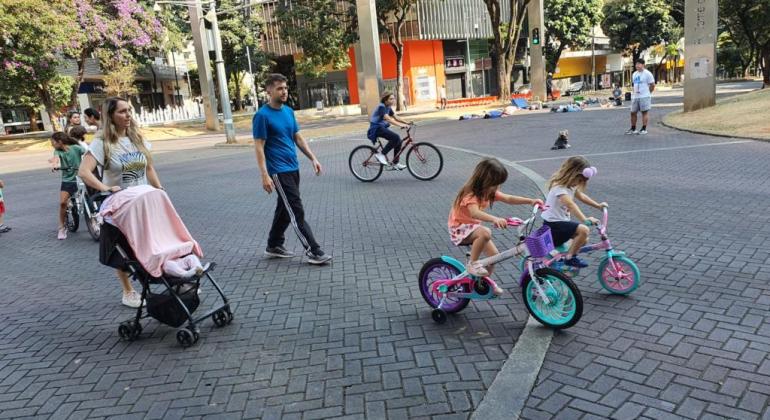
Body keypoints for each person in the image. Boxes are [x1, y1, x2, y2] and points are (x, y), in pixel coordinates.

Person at [79, 97, 164, 308]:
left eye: (129, 111)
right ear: (110, 116)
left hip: (143, 201)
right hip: (121, 206)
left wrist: (160, 190)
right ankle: (128, 291)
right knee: (124, 249)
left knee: (154, 242)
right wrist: (105, 188)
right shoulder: (102, 143)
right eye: (122, 112)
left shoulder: (136, 138)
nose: (128, 115)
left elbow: (149, 168)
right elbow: (83, 171)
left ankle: (170, 279)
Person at [253, 73, 331, 265]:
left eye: (285, 88)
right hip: (278, 171)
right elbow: (259, 146)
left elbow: (297, 137)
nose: (284, 91)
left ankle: (273, 244)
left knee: (285, 208)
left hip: (293, 168)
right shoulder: (262, 116)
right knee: (296, 210)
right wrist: (265, 175)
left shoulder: (288, 111)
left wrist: (313, 158)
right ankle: (314, 250)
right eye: (279, 88)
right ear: (269, 91)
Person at [448, 158, 544, 295]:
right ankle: (472, 263)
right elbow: (474, 213)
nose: (498, 187)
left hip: (472, 227)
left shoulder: (489, 192)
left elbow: (509, 198)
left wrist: (531, 201)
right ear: (485, 181)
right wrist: (495, 219)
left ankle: (482, 284)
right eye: (495, 184)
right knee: (485, 232)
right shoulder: (470, 194)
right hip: (459, 229)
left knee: (494, 257)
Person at [541, 156, 608, 268]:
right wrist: (585, 220)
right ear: (572, 174)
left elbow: (582, 196)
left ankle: (564, 258)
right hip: (553, 226)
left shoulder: (571, 186)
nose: (579, 183)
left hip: (560, 224)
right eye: (580, 180)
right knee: (583, 230)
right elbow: (570, 205)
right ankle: (569, 258)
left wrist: (598, 205)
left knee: (583, 239)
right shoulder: (559, 187)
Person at [50, 132, 85, 240]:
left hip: (81, 177)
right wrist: (55, 165)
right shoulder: (57, 151)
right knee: (63, 203)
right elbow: (55, 159)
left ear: (60, 142)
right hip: (68, 180)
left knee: (91, 198)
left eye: (53, 142)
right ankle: (61, 227)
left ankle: (93, 219)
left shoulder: (76, 148)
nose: (52, 144)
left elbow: (88, 153)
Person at [367, 92, 412, 170]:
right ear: (385, 100)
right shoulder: (381, 107)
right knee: (395, 137)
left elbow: (396, 117)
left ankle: (395, 163)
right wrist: (400, 125)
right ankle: (381, 155)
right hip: (376, 128)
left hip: (381, 127)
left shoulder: (388, 107)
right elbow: (388, 118)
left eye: (393, 98)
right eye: (391, 99)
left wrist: (406, 122)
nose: (393, 100)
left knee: (399, 141)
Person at [626, 59, 656, 135]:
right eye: (636, 64)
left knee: (644, 112)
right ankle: (633, 128)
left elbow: (652, 85)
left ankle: (644, 128)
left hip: (644, 96)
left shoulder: (647, 73)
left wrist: (648, 93)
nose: (637, 66)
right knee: (632, 112)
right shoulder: (634, 74)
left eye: (639, 64)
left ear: (643, 65)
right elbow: (635, 85)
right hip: (635, 96)